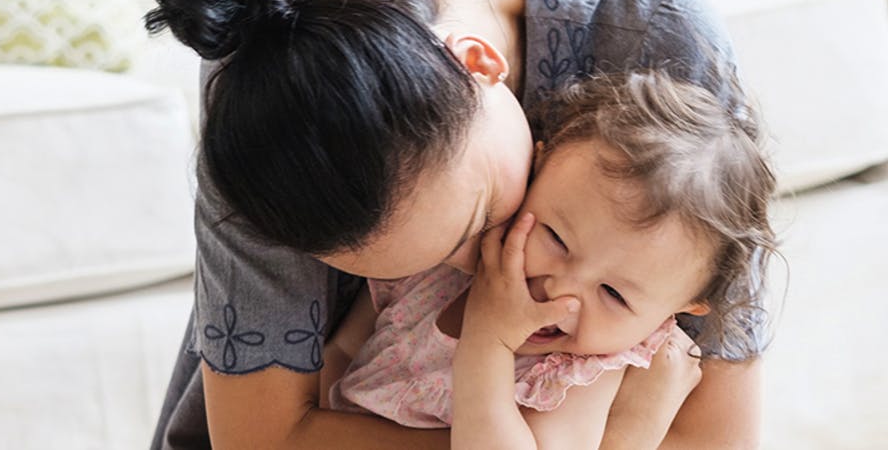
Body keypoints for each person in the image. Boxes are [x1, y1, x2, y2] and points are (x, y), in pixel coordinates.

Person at [144, 0, 765, 447]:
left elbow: (713, 437)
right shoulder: (267, 106)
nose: (481, 270)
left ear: (480, 62)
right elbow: (263, 440)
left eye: (484, 221)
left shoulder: (657, 41)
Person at [323, 70, 776, 449]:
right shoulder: (444, 269)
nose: (561, 291)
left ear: (682, 308)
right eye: (556, 239)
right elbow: (344, 352)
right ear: (535, 171)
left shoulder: (581, 373)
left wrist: (490, 341)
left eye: (614, 294)